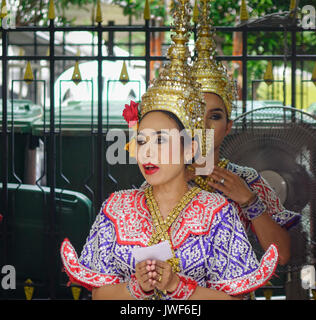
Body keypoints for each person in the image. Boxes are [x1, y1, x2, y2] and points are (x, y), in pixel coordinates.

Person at [60, 0, 279, 300]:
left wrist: (179, 287)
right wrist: (136, 288)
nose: (147, 153)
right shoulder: (117, 208)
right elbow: (100, 296)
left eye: (161, 140)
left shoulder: (218, 214)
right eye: (142, 141)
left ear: (190, 147)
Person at [188, 0, 301, 266]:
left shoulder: (247, 180)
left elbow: (282, 255)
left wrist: (248, 200)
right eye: (194, 116)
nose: (203, 125)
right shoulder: (165, 175)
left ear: (228, 126)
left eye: (214, 116)